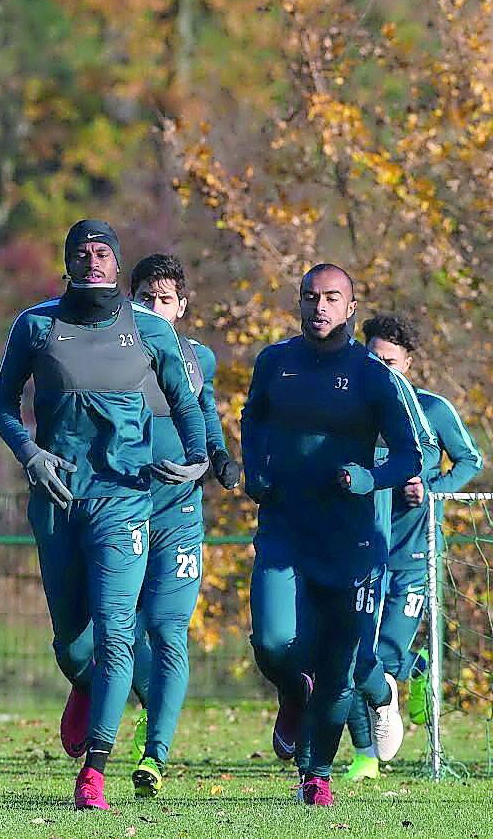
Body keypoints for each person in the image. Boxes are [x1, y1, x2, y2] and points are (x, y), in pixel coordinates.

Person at [0, 221, 208, 810]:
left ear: (116, 264)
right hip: (57, 503)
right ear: (67, 263)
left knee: (116, 634)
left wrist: (196, 463)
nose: (92, 261)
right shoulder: (36, 325)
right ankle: (90, 691)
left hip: (123, 501)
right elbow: (1, 404)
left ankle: (96, 770)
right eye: (81, 253)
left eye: (102, 253)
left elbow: (187, 405)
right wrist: (30, 453)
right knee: (73, 647)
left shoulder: (149, 331)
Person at [240, 263, 422, 806]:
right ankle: (293, 692)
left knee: (339, 663)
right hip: (285, 527)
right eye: (310, 297)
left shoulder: (373, 373)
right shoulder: (274, 362)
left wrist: (372, 477)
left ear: (350, 308)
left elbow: (411, 453)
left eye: (331, 298)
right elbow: (253, 419)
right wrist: (257, 470)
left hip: (350, 541)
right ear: (299, 303)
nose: (319, 307)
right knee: (274, 643)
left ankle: (316, 774)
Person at [120, 253, 241, 797]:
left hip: (180, 512)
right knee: (116, 630)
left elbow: (207, 412)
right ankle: (143, 697)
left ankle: (156, 754)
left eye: (164, 300)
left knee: (169, 628)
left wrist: (219, 457)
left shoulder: (198, 359)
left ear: (182, 307)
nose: (153, 308)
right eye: (144, 299)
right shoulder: (113, 360)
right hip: (120, 509)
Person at [344, 313, 483, 779]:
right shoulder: (351, 410)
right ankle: (367, 752)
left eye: (391, 362)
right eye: (373, 360)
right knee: (349, 654)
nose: (382, 371)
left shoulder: (432, 409)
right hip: (360, 549)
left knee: (381, 654)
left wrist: (432, 488)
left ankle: (405, 687)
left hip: (413, 551)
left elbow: (469, 460)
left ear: (408, 363)